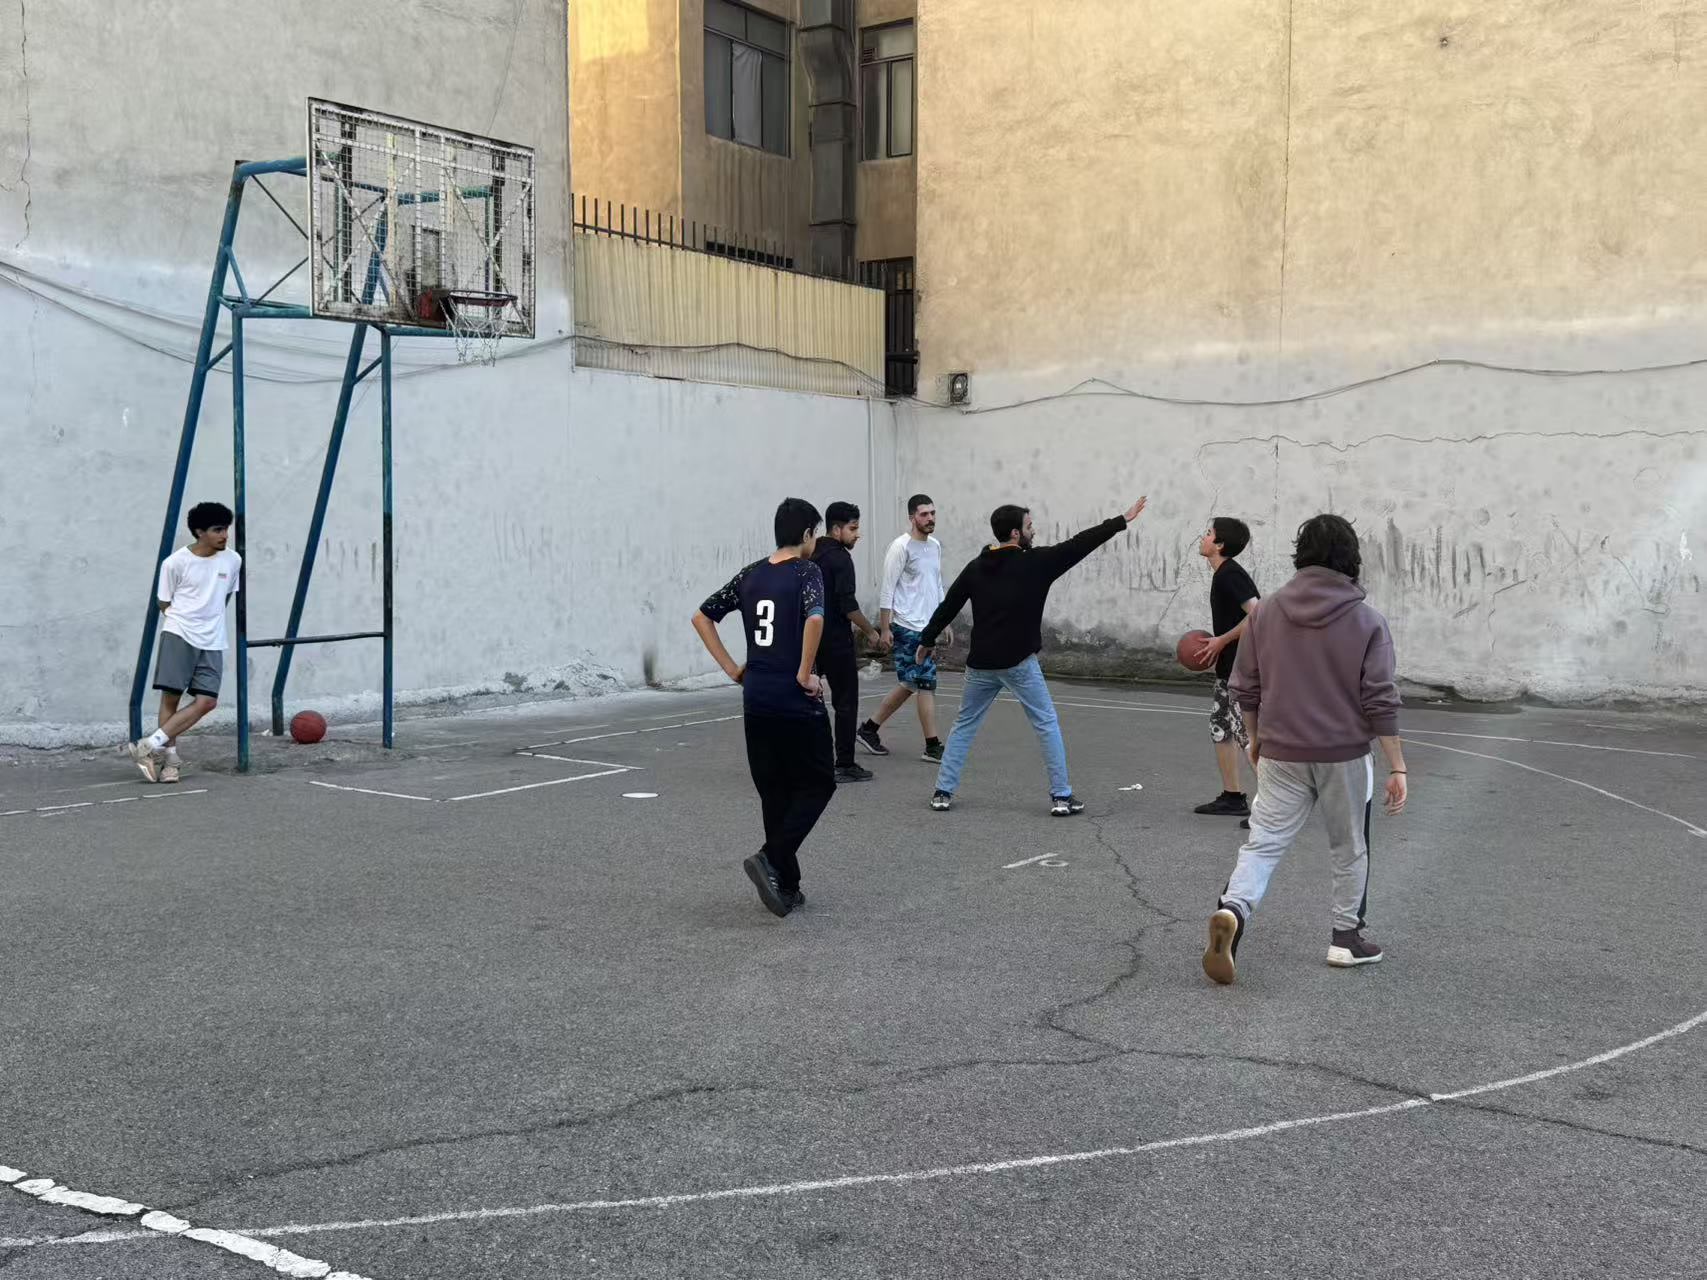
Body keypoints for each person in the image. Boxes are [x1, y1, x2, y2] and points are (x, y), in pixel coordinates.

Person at [1202, 514, 1409, 986]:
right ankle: (1346, 939)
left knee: (1263, 842)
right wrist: (1397, 765)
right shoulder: (1367, 620)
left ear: (1302, 554)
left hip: (1280, 749)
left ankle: (1233, 909)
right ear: (1350, 557)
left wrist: (1255, 738)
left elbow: (1244, 685)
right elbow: (1380, 698)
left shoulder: (1266, 613)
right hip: (1343, 754)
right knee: (1349, 846)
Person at [916, 496, 1148, 817]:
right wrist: (1121, 521)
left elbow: (948, 606)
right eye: (1029, 526)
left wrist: (927, 639)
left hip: (981, 664)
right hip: (1019, 663)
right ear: (1015, 533)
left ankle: (942, 792)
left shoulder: (976, 567)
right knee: (1046, 723)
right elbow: (1080, 544)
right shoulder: (1037, 563)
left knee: (964, 725)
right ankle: (1061, 797)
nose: (1033, 530)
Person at [692, 498, 836, 918]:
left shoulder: (750, 574)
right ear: (807, 534)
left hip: (756, 695)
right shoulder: (806, 571)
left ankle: (786, 886)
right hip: (795, 699)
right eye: (815, 534)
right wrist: (805, 673)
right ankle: (770, 857)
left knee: (775, 791)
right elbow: (815, 618)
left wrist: (732, 669)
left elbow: (702, 617)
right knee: (818, 783)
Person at [124, 501, 242, 783]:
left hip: (213, 639)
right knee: (171, 698)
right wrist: (187, 621)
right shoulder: (175, 563)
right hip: (179, 633)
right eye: (217, 530)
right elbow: (163, 602)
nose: (224, 535)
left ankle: (148, 746)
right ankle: (170, 761)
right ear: (199, 532)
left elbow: (225, 596)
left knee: (207, 701)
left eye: (226, 529)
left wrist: (208, 621)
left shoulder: (233, 560)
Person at [858, 494, 950, 764]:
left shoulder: (934, 546)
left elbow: (936, 584)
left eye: (932, 513)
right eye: (924, 514)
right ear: (912, 518)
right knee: (925, 683)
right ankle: (932, 746)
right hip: (907, 627)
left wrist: (943, 620)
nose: (930, 518)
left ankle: (869, 729)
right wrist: (886, 629)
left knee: (909, 684)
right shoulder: (900, 547)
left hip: (927, 627)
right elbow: (887, 589)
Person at [1191, 518, 1261, 823]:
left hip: (1242, 668)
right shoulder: (1222, 574)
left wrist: (1222, 639)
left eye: (1209, 533)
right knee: (1220, 728)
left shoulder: (1230, 574)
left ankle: (1275, 808)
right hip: (1228, 668)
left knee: (1246, 735)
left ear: (1219, 544)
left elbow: (1258, 614)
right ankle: (1233, 797)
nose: (1203, 537)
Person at [811, 501, 882, 783]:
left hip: (809, 639)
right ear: (836, 529)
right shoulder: (840, 559)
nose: (857, 534)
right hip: (836, 642)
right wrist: (871, 632)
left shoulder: (810, 552)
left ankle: (806, 761)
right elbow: (848, 606)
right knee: (845, 703)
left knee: (807, 700)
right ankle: (844, 764)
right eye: (853, 528)